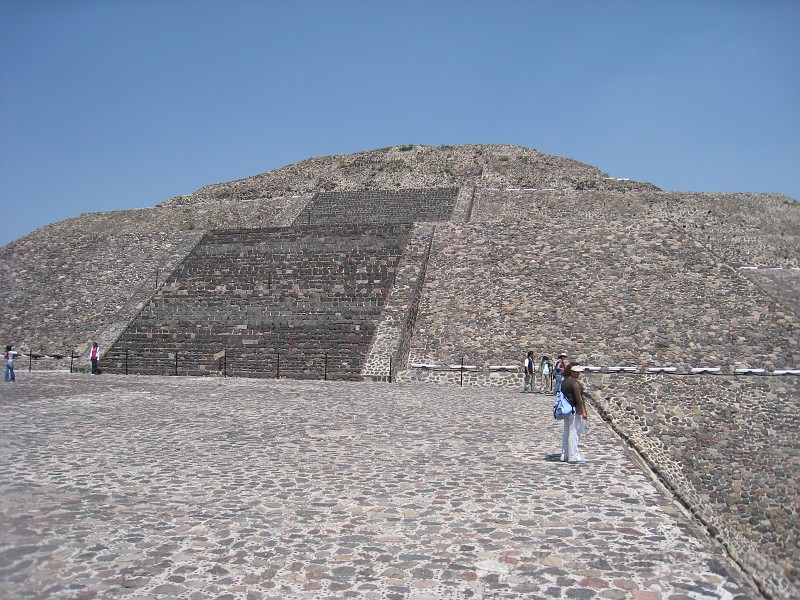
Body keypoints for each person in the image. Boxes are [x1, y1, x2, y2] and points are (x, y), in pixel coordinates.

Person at [560, 363, 588, 463]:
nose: (578, 374)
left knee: (566, 432)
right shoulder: (575, 383)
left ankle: (565, 454)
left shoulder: (564, 382)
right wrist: (584, 412)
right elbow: (579, 398)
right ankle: (573, 455)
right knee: (574, 432)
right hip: (574, 409)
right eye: (577, 372)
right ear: (572, 372)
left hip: (566, 409)